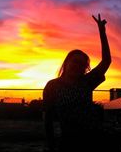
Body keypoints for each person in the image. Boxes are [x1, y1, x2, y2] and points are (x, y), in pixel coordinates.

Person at [43, 14, 112, 152]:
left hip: (94, 139)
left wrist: (102, 32)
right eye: (75, 61)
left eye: (82, 64)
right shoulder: (52, 86)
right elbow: (48, 119)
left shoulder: (87, 81)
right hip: (68, 140)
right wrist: (51, 145)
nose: (78, 65)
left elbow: (106, 61)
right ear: (66, 62)